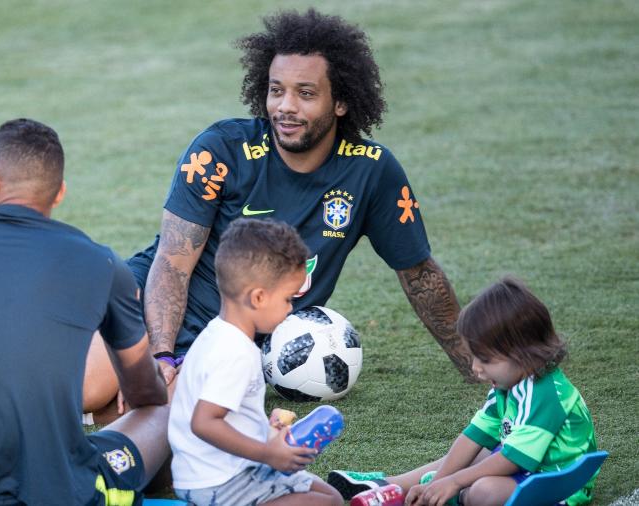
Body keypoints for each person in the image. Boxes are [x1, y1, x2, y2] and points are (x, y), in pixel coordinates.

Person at [83, 8, 475, 420]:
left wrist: (475, 366)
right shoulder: (220, 149)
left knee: (161, 412)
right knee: (91, 390)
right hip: (150, 306)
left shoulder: (372, 171)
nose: (285, 107)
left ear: (340, 102)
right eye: (276, 90)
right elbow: (171, 263)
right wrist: (160, 356)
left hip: (229, 342)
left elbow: (419, 275)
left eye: (305, 93)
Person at [0, 118, 169, 506]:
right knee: (163, 411)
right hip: (58, 496)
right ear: (59, 195)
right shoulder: (102, 264)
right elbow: (145, 391)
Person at [328, 277, 598, 506]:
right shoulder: (509, 383)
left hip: (560, 482)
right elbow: (473, 437)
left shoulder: (548, 394)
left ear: (523, 353)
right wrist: (440, 480)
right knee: (475, 454)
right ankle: (405, 487)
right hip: (524, 467)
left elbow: (513, 459)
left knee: (483, 491)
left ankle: (448, 495)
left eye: (485, 360)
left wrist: (454, 482)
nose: (475, 368)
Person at [168, 218, 344, 505]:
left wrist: (263, 429)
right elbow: (204, 422)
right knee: (329, 502)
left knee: (328, 494)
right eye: (288, 299)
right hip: (222, 482)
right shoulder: (236, 353)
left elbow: (225, 414)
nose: (291, 309)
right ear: (259, 297)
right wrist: (269, 453)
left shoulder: (216, 333)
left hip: (209, 472)